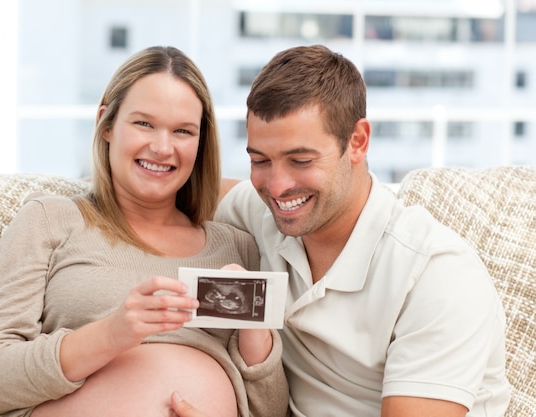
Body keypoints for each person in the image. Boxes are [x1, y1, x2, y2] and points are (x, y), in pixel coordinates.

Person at [0, 46, 288, 417]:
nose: (162, 147)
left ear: (200, 144)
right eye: (144, 123)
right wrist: (113, 333)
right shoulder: (49, 220)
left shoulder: (236, 247)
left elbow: (272, 410)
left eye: (183, 131)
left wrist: (253, 328)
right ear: (106, 124)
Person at [215, 44, 511, 417]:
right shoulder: (263, 212)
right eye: (260, 160)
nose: (276, 186)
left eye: (301, 160)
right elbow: (184, 191)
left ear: (357, 142)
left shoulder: (437, 276)